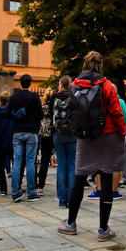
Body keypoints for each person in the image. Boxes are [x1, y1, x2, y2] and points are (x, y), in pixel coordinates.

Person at [58, 51, 126, 242]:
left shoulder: (75, 85)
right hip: (108, 135)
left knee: (79, 179)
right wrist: (121, 133)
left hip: (85, 137)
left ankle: (70, 223)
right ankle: (103, 229)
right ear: (100, 65)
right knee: (105, 179)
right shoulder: (106, 85)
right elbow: (117, 112)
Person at [7, 74, 43, 202]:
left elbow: (7, 114)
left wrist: (16, 117)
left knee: (17, 162)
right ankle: (32, 192)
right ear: (30, 83)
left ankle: (15, 191)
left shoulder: (13, 97)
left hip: (17, 131)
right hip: (31, 131)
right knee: (30, 162)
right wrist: (33, 119)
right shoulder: (34, 96)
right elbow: (41, 114)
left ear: (20, 83)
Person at [50, 76, 77, 208]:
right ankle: (72, 198)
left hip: (58, 133)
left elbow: (51, 115)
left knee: (61, 166)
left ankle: (62, 200)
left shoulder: (54, 97)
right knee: (72, 165)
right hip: (72, 133)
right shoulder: (74, 96)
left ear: (60, 84)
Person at [0, 93, 14, 197]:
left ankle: (3, 188)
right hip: (10, 139)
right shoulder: (11, 112)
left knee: (0, 165)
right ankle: (16, 185)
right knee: (15, 162)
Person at [36, 90, 55, 196]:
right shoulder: (54, 107)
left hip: (44, 135)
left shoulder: (42, 108)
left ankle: (40, 184)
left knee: (44, 159)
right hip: (54, 133)